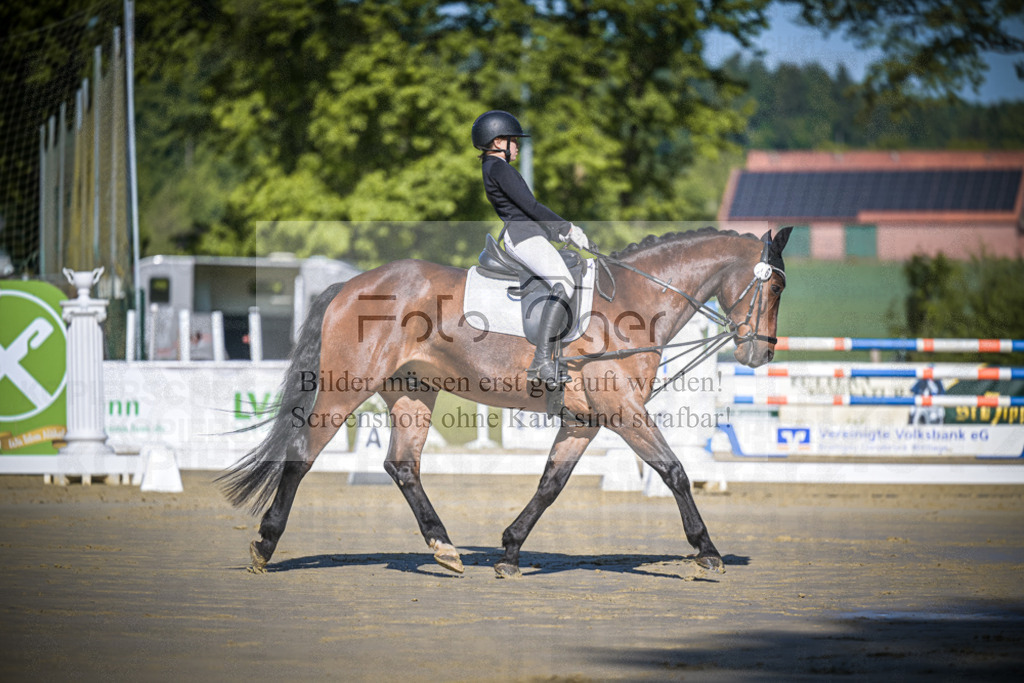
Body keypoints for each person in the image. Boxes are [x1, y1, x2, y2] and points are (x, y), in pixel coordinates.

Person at [472, 110, 591, 385]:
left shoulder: (493, 168)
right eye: (514, 141)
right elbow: (531, 206)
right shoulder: (499, 168)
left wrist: (558, 232)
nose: (517, 146)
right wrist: (567, 228)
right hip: (523, 236)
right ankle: (541, 361)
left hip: (526, 233)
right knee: (564, 283)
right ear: (498, 141)